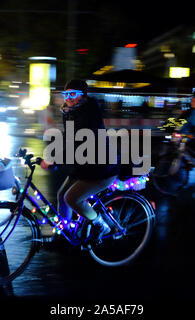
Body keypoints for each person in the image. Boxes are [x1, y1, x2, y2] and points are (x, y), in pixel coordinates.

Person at [41, 79, 120, 242]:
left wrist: (55, 159)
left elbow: (78, 141)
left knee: (72, 198)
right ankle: (65, 233)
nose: (68, 97)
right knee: (61, 195)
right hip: (85, 166)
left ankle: (100, 225)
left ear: (82, 95)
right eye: (66, 94)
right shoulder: (70, 112)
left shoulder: (89, 113)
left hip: (102, 167)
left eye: (73, 94)